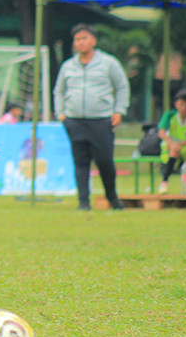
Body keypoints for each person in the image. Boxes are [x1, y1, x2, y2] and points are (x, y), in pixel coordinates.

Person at [53, 23, 130, 210]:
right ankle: (83, 202)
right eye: (77, 39)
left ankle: (112, 198)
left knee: (104, 161)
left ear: (93, 40)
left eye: (84, 38)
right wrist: (61, 115)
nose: (81, 42)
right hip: (74, 121)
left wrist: (119, 111)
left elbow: (122, 87)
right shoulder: (68, 66)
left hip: (101, 120)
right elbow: (59, 91)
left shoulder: (109, 63)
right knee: (80, 162)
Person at [157, 89, 186, 195]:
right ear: (176, 104)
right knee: (175, 149)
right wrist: (171, 142)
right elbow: (161, 133)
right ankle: (164, 182)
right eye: (182, 104)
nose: (184, 108)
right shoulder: (170, 116)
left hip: (185, 147)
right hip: (170, 147)